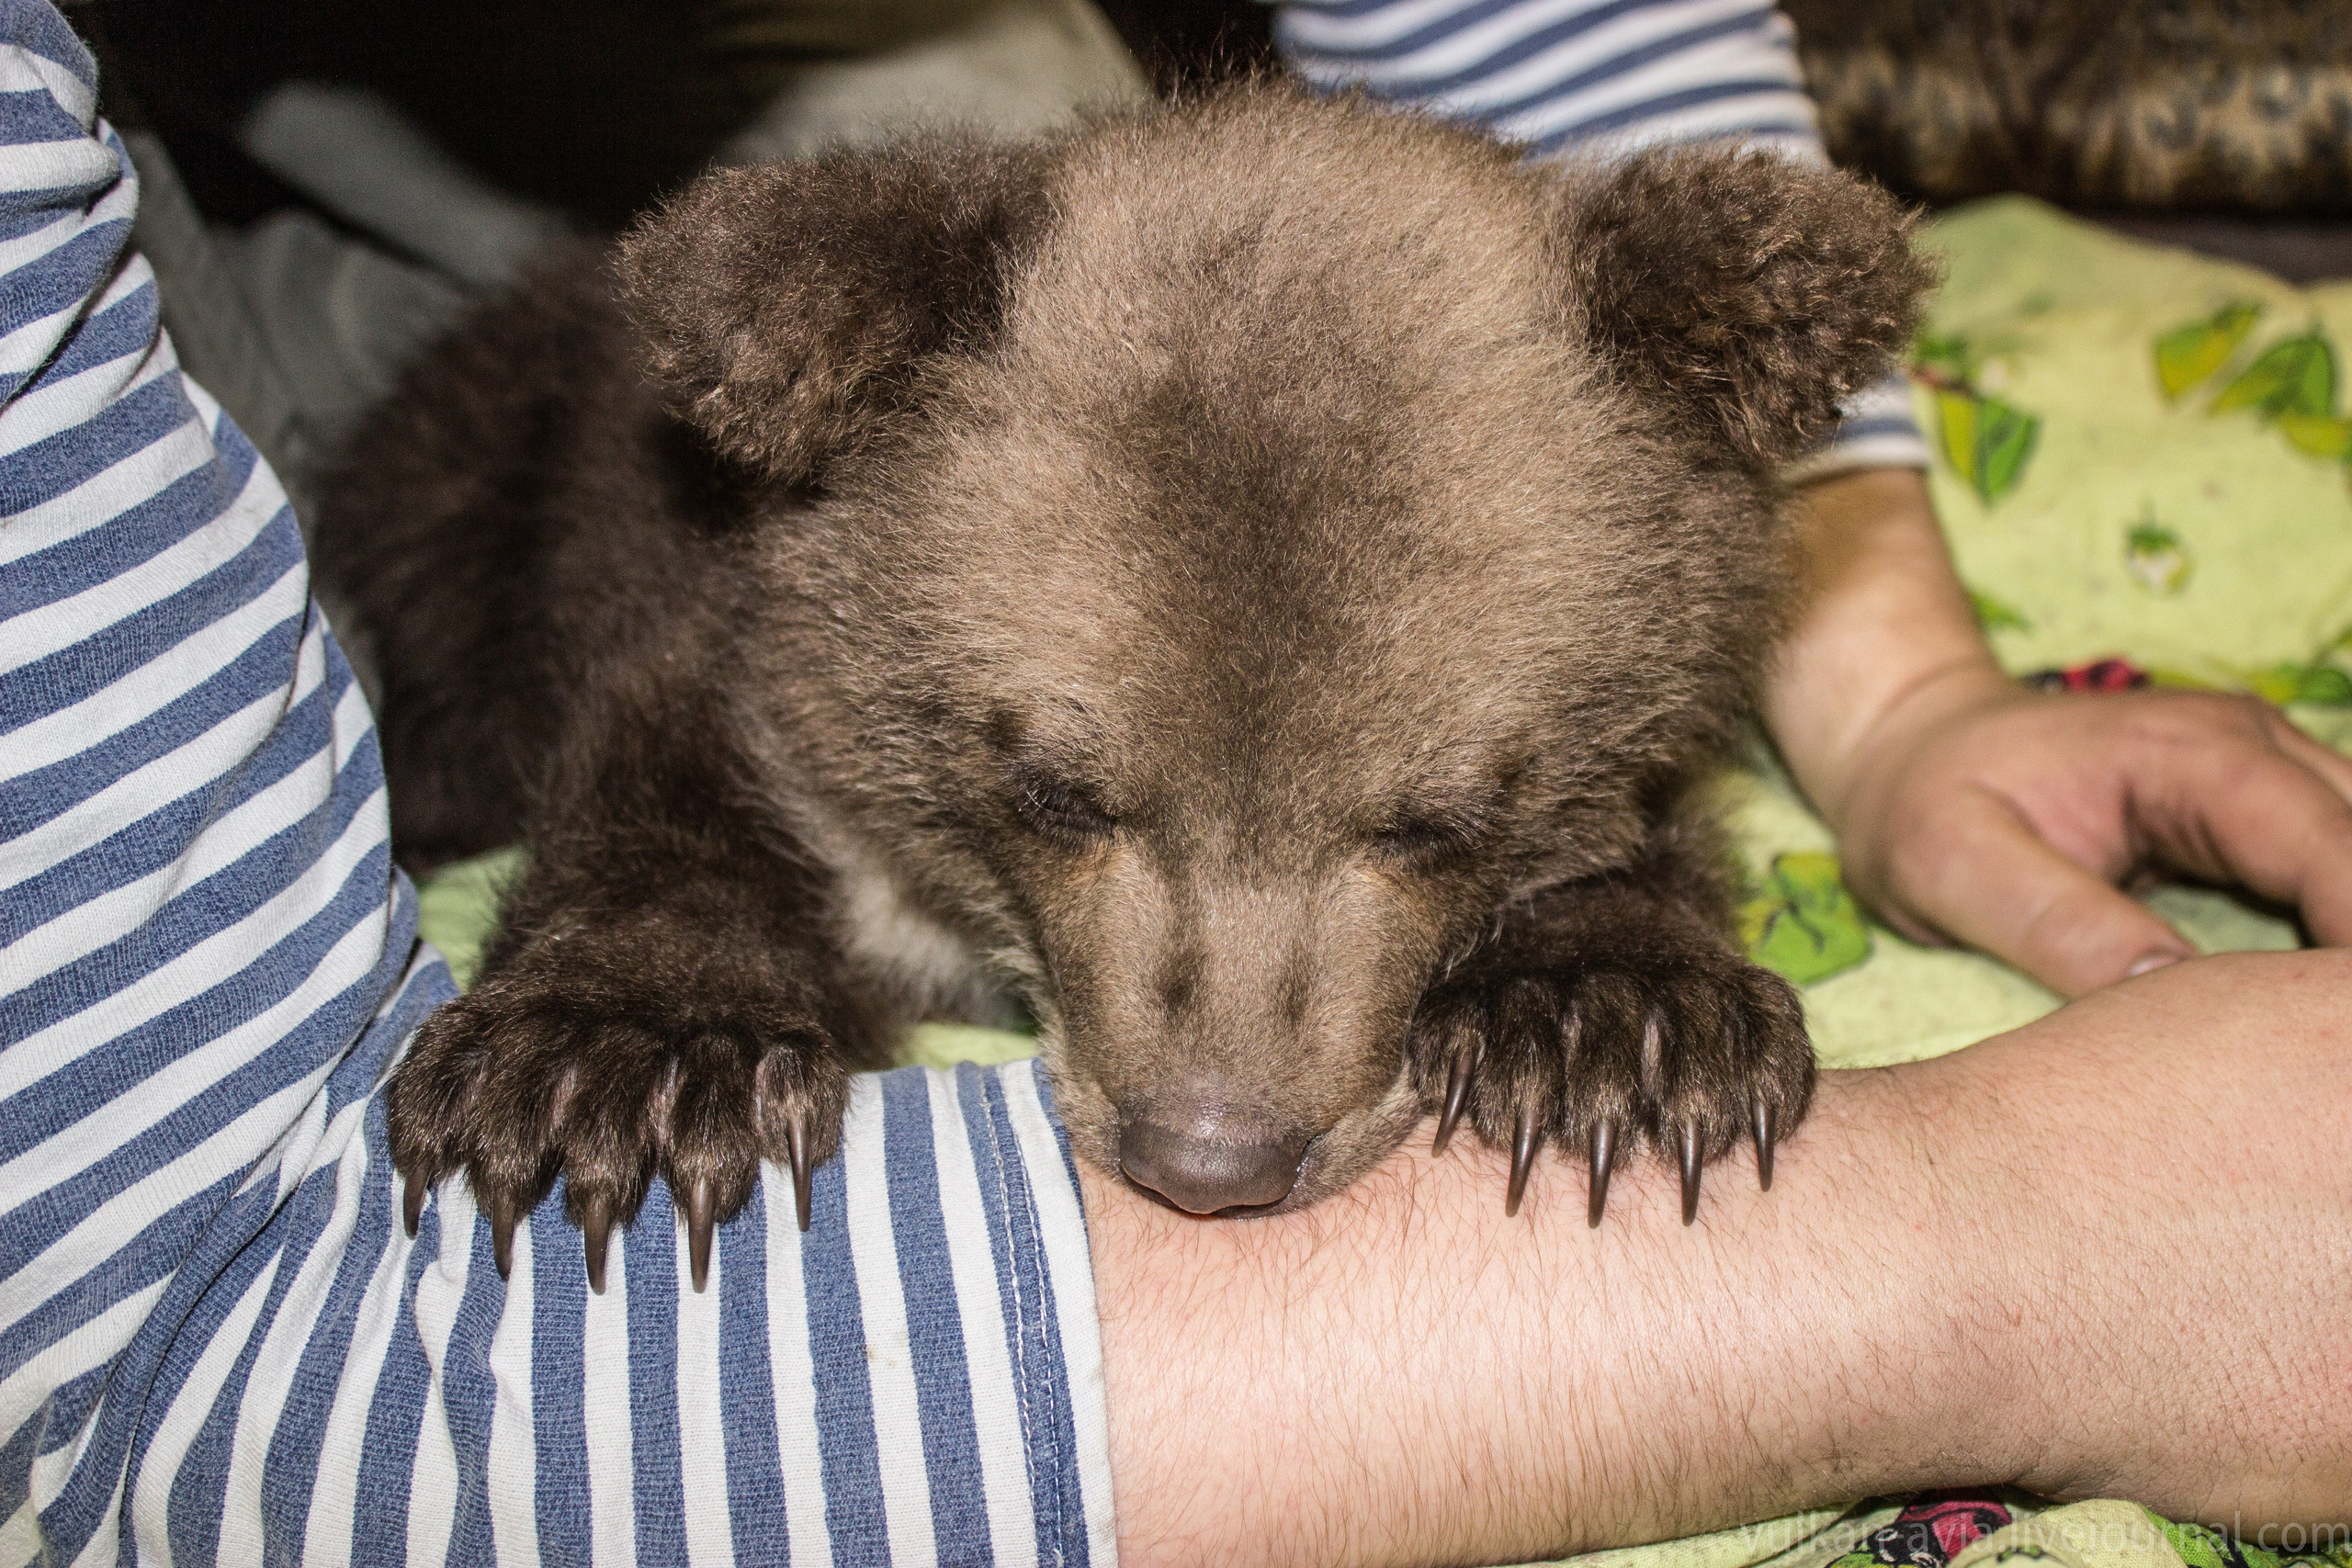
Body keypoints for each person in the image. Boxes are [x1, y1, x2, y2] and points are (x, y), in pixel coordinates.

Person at [2, 3, 2346, 1566]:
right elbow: (176, 1358)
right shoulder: (829, 598)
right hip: (323, 296)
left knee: (984, 79)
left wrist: (1895, 697)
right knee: (495, 412)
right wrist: (1995, 1247)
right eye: (1064, 798)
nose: (1224, 1098)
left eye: (1419, 824)